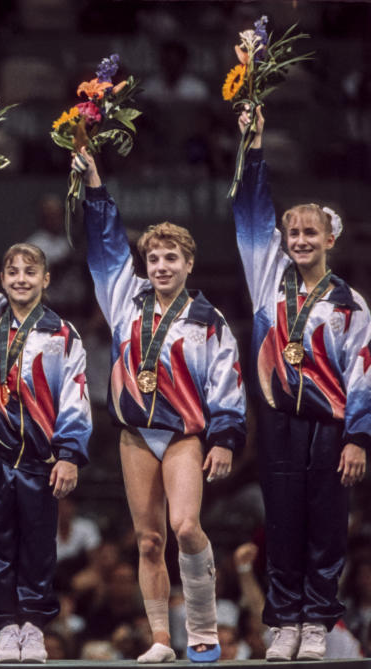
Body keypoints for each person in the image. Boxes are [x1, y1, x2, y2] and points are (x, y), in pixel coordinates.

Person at [76, 147, 246, 663]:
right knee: (148, 541)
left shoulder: (208, 319)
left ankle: (202, 628)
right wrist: (95, 184)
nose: (162, 266)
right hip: (134, 435)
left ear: (189, 263)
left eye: (172, 258)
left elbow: (226, 381)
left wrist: (225, 439)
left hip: (182, 436)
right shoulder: (124, 299)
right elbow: (105, 246)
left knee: (186, 527)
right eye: (154, 258)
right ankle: (160, 640)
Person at [232, 108, 370, 662]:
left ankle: (317, 619)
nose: (300, 240)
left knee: (326, 524)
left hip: (331, 426)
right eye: (292, 232)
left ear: (331, 238)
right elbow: (249, 211)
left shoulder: (349, 304)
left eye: (310, 232)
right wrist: (254, 144)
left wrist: (359, 437)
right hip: (278, 421)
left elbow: (363, 373)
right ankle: (284, 620)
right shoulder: (267, 278)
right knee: (282, 521)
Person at [0, 157, 92, 663]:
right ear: (0, 279)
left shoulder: (61, 334)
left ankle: (34, 624)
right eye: (12, 271)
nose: (21, 277)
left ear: (47, 279)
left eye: (31, 271)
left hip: (43, 456)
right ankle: (7, 625)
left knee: (38, 545)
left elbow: (74, 396)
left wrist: (69, 453)